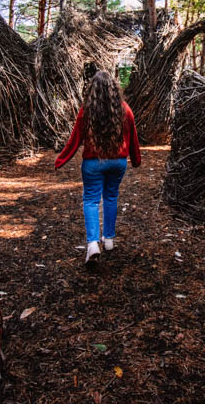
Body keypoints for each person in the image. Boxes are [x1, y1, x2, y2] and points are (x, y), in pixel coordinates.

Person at [55, 70, 141, 266]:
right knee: (111, 197)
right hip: (118, 163)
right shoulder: (125, 109)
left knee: (91, 201)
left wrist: (61, 160)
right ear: (113, 89)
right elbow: (133, 138)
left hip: (93, 164)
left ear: (92, 90)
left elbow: (74, 140)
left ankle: (93, 243)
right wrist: (136, 160)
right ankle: (108, 240)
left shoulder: (87, 110)